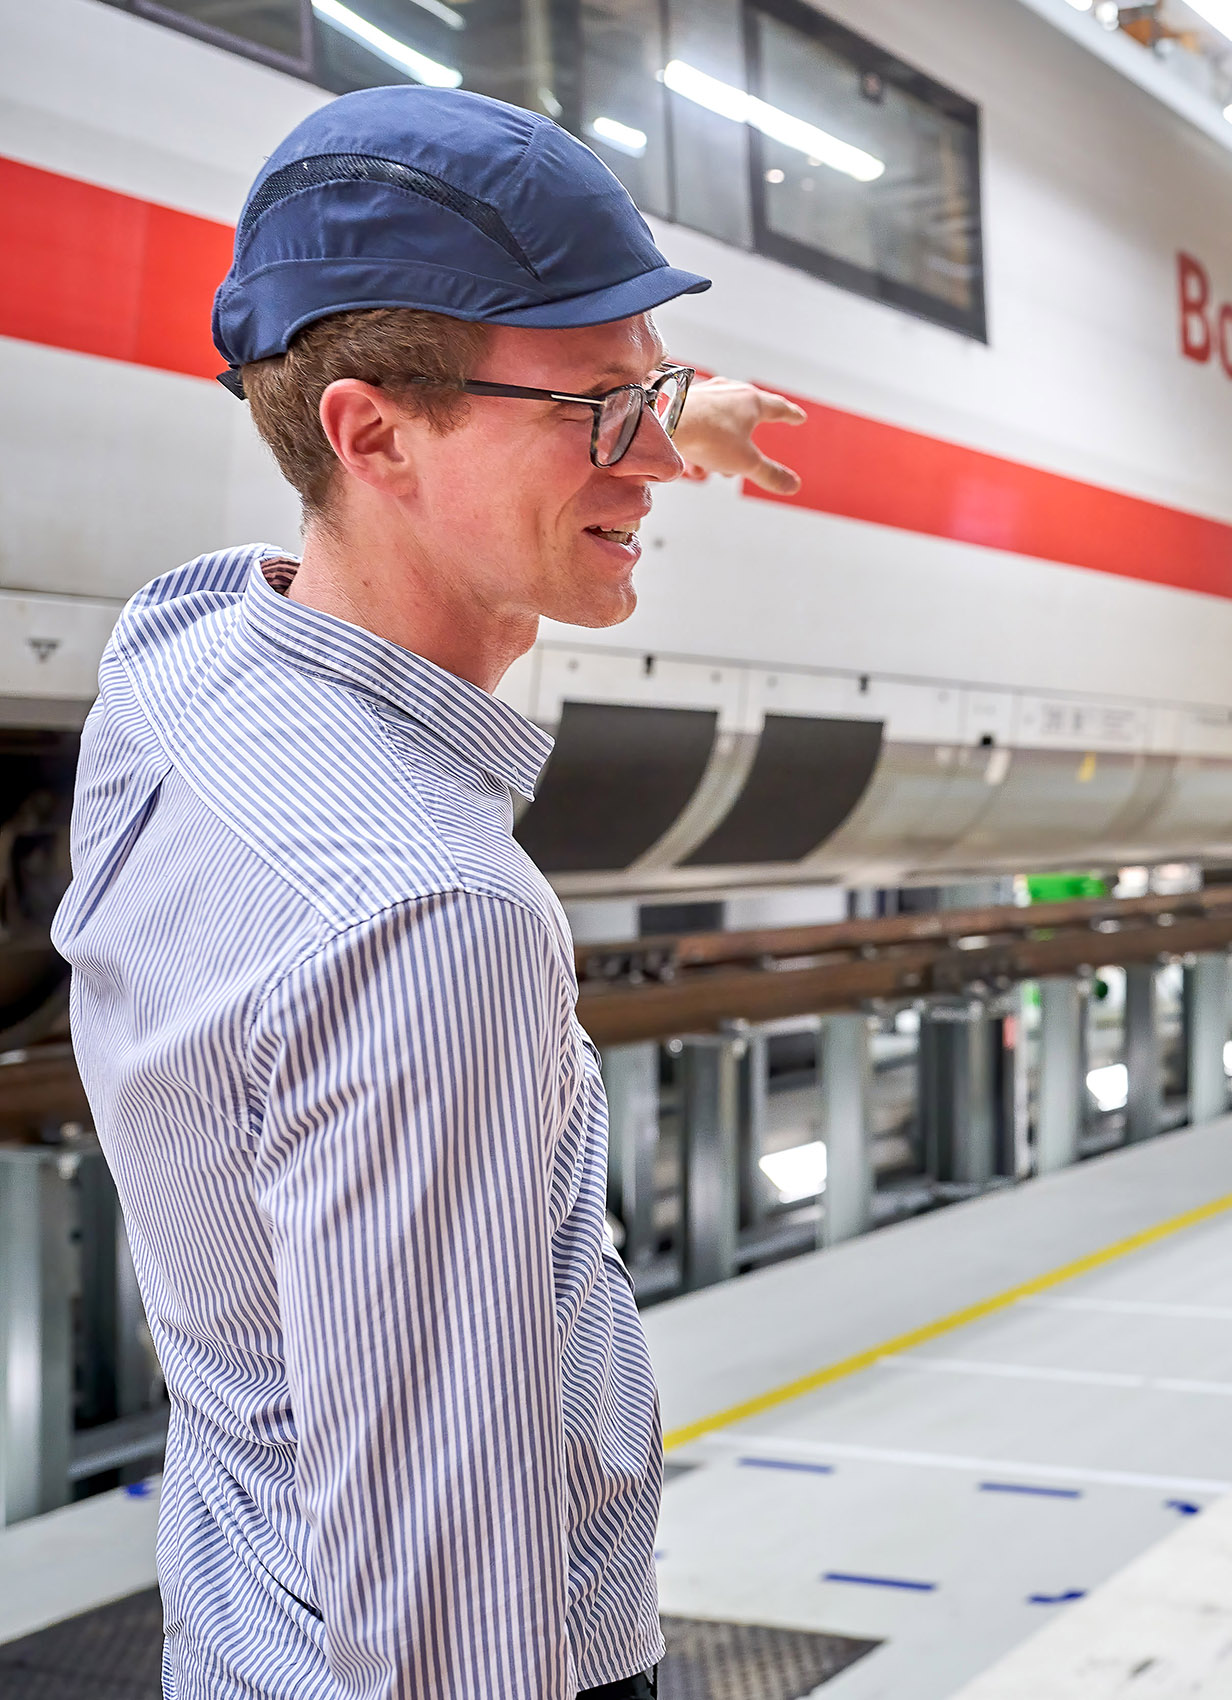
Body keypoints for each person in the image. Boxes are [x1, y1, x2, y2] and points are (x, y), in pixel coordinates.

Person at [56, 85, 799, 1698]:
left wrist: (663, 403)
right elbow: (445, 1562)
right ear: (370, 433)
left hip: (251, 1642)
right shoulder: (426, 921)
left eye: (649, 393)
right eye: (605, 410)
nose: (657, 461)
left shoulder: (180, 660)